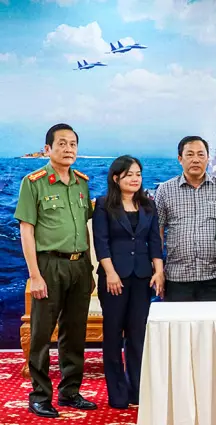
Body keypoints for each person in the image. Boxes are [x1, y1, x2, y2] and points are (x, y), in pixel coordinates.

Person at [14, 123, 97, 418]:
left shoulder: (81, 183)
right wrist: (35, 275)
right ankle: (39, 396)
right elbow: (26, 230)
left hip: (79, 265)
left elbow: (86, 227)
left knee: (74, 333)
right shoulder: (33, 183)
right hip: (49, 265)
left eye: (73, 144)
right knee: (41, 334)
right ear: (48, 148)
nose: (68, 149)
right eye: (61, 143)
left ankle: (70, 392)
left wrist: (89, 269)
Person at [92, 155, 164, 409]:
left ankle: (137, 390)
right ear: (116, 178)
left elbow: (154, 241)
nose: (135, 179)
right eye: (129, 174)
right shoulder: (104, 205)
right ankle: (118, 394)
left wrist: (158, 271)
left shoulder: (148, 205)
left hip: (142, 277)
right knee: (113, 335)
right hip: (114, 278)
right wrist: (110, 273)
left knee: (137, 335)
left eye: (138, 174)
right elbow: (101, 242)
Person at [154, 136, 216, 301]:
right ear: (180, 159)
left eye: (200, 154)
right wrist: (158, 271)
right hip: (176, 278)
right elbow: (157, 234)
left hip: (215, 278)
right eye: (190, 154)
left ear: (208, 158)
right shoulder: (165, 190)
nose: (196, 159)